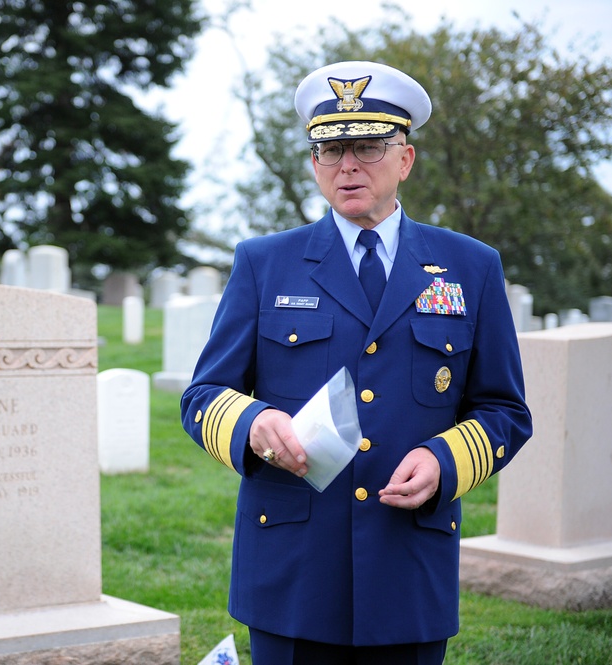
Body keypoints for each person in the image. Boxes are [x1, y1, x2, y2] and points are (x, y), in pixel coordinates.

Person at [180, 61, 532, 664]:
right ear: (314, 163)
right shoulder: (264, 264)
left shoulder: (471, 268)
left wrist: (444, 458)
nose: (347, 165)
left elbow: (504, 410)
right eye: (330, 149)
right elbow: (204, 395)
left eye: (367, 147)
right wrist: (250, 423)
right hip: (291, 570)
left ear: (406, 160)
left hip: (408, 569)